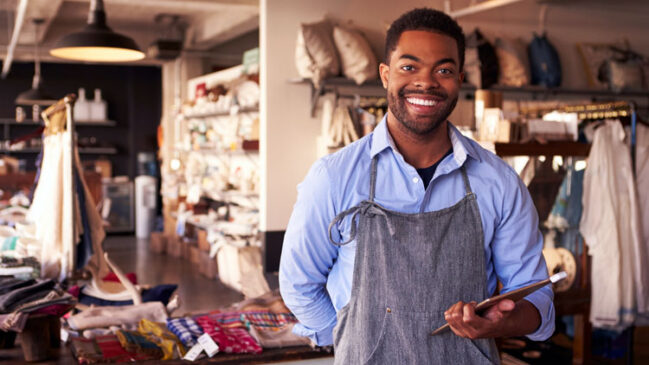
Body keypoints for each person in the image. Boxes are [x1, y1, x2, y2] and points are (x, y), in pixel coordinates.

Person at [279, 8, 554, 364]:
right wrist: (353, 336)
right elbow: (299, 285)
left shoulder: (499, 182)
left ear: (459, 78)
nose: (427, 82)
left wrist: (502, 323)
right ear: (385, 74)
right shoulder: (334, 177)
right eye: (409, 67)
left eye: (443, 70)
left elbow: (538, 302)